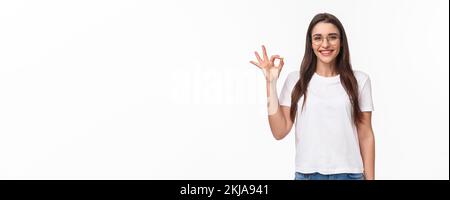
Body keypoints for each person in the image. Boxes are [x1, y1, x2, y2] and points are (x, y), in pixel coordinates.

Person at [249, 13, 375, 180]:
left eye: (332, 37)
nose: (325, 44)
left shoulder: (360, 80)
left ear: (341, 42)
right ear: (310, 43)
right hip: (307, 174)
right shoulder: (296, 80)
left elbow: (365, 134)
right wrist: (270, 84)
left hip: (350, 174)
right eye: (318, 38)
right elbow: (279, 131)